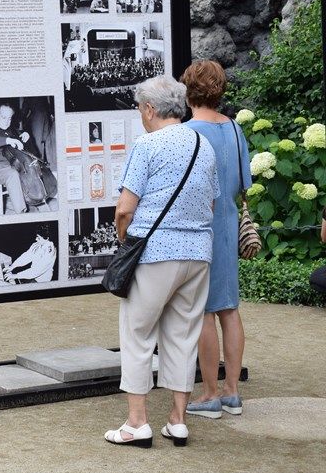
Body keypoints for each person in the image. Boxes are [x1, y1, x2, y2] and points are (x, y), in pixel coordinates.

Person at [104, 76, 218, 447]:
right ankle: (178, 420)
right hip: (198, 254)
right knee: (183, 336)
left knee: (138, 335)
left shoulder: (147, 145)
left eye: (140, 109)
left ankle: (137, 423)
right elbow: (211, 202)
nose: (140, 115)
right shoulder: (204, 144)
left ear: (150, 109)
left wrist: (124, 240)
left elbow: (125, 208)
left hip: (154, 254)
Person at [181, 60, 252, 419]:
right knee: (229, 308)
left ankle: (209, 393)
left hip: (199, 227)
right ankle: (232, 392)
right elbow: (244, 183)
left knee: (205, 311)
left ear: (189, 91)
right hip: (226, 223)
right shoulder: (235, 129)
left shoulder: (188, 132)